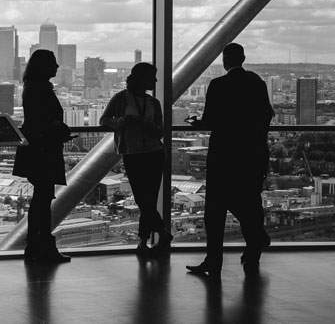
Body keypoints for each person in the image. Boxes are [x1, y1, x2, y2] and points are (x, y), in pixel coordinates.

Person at [185, 43, 274, 280]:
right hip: (251, 155)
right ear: (243, 58)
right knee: (250, 203)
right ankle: (253, 250)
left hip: (223, 156)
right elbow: (267, 116)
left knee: (215, 211)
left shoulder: (218, 85)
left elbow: (210, 122)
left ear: (225, 61)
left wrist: (197, 124)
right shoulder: (257, 83)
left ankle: (214, 261)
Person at [99, 62, 171, 256]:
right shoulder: (121, 99)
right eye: (152, 77)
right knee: (143, 199)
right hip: (135, 153)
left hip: (151, 153)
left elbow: (160, 130)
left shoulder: (153, 103)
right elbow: (104, 120)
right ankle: (161, 232)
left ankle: (143, 241)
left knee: (147, 199)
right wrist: (123, 122)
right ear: (142, 79)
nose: (155, 80)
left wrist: (146, 126)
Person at [13, 49, 73, 264]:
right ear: (44, 67)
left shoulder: (32, 87)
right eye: (54, 63)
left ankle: (35, 246)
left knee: (41, 199)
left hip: (37, 148)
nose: (57, 67)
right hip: (44, 150)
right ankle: (42, 246)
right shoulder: (41, 89)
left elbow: (36, 119)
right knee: (43, 199)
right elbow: (43, 119)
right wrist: (58, 129)